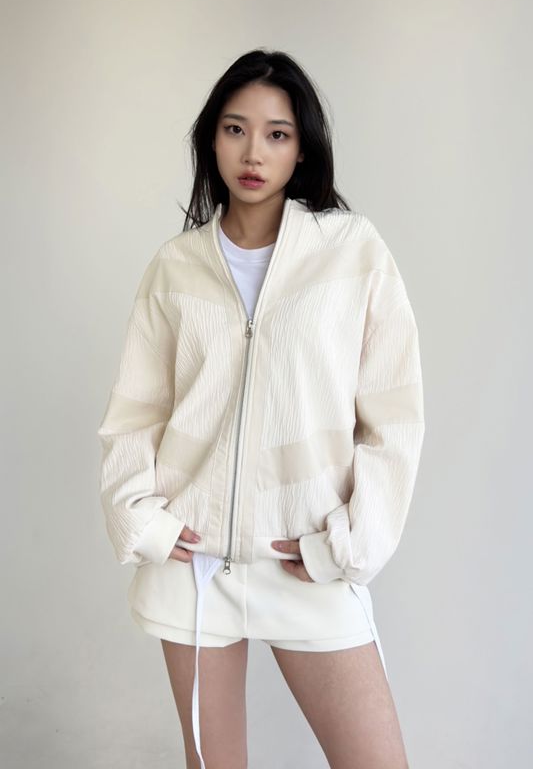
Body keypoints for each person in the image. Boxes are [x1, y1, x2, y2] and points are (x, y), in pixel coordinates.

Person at [97, 48, 425, 769]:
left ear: (302, 148)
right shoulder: (175, 266)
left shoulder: (353, 252)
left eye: (277, 134)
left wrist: (346, 545)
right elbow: (134, 414)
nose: (253, 153)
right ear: (211, 139)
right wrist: (141, 520)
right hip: (195, 569)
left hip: (305, 560)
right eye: (235, 129)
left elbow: (392, 420)